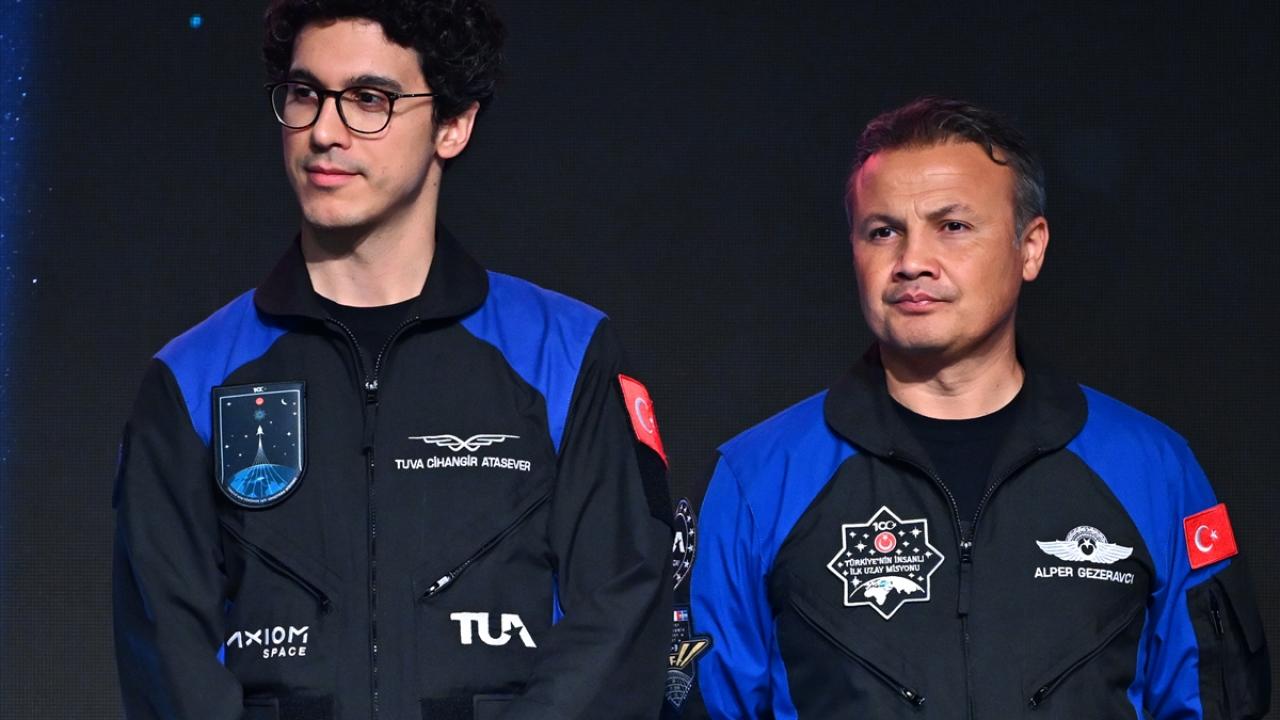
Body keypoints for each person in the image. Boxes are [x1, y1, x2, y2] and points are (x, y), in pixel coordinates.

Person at [111, 2, 673, 718]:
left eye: (369, 99)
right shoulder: (188, 381)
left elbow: (618, 623)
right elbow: (169, 665)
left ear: (453, 124)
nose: (324, 130)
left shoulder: (566, 354)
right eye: (305, 93)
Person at [690, 97, 1270, 719]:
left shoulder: (1153, 471)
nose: (911, 262)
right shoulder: (759, 479)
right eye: (883, 231)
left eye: (953, 226)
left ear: (1030, 248)